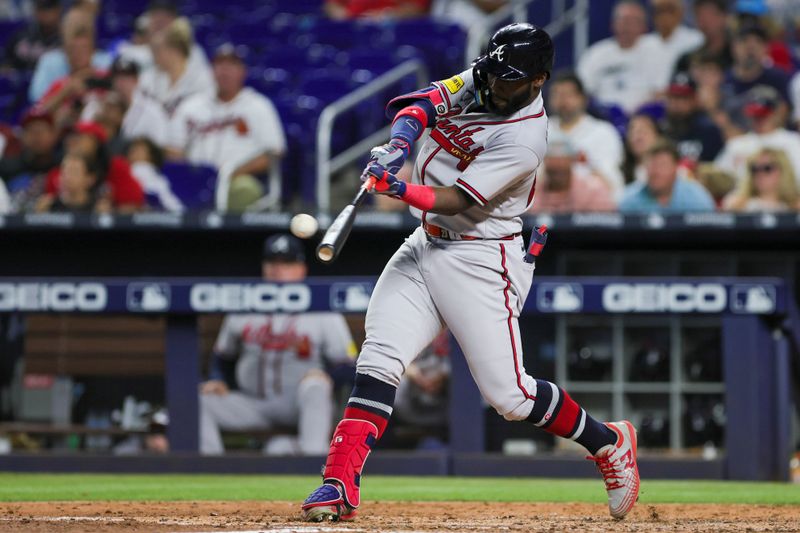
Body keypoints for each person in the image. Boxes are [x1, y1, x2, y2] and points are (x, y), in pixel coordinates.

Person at [300, 23, 640, 523]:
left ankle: (608, 442)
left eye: (509, 81)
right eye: (495, 75)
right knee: (379, 356)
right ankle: (337, 484)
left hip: (481, 259)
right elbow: (420, 105)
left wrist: (398, 188)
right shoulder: (486, 75)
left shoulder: (525, 137)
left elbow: (456, 199)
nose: (495, 87)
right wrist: (398, 145)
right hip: (425, 245)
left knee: (511, 396)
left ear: (537, 80)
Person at [200, 234, 357, 455]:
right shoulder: (244, 306)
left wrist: (327, 376)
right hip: (254, 403)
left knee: (316, 387)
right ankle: (210, 473)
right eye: (273, 263)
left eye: (287, 264)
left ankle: (314, 462)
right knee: (201, 401)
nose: (278, 270)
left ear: (301, 269)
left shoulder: (322, 307)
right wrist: (217, 378)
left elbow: (350, 367)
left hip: (301, 404)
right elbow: (223, 356)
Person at [166, 43, 285, 211]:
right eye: (220, 64)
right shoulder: (191, 106)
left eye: (232, 65)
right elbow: (173, 149)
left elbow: (273, 152)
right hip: (195, 181)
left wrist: (228, 175)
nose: (225, 70)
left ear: (243, 71)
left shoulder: (258, 105)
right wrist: (190, 175)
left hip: (235, 180)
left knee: (246, 189)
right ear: (212, 70)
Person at [546, 71, 625, 194]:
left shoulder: (603, 132)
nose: (562, 101)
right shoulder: (542, 129)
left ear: (583, 99)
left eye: (568, 95)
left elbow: (610, 178)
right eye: (557, 95)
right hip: (547, 202)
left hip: (590, 203)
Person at [576, 0, 661, 114]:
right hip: (602, 118)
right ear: (613, 24)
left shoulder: (656, 52)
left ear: (644, 26)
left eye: (634, 21)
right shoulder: (595, 54)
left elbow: (661, 93)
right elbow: (582, 92)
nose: (627, 26)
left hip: (644, 118)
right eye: (623, 20)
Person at [42, 120, 144, 211]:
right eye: (69, 137)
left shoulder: (116, 167)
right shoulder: (56, 171)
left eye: (78, 136)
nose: (71, 141)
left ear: (95, 142)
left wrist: (109, 215)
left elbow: (133, 205)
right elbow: (51, 204)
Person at [715, 85, 800, 186]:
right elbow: (719, 177)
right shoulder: (736, 144)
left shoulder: (793, 141)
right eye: (755, 116)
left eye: (763, 116)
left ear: (776, 113)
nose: (759, 120)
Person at [133, 17, 213, 119]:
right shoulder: (152, 78)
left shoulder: (200, 78)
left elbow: (208, 111)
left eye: (158, 52)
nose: (155, 59)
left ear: (173, 51)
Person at [28, 6, 112, 102]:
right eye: (73, 49)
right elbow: (37, 100)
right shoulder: (49, 60)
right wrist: (68, 88)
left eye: (83, 48)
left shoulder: (105, 62)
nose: (78, 54)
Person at [619, 139, 715, 212]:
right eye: (651, 165)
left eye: (662, 165)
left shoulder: (697, 199)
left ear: (676, 168)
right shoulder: (629, 199)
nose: (656, 171)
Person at [527, 134, 616, 213]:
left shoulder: (593, 190)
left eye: (562, 162)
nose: (558, 166)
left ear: (572, 161)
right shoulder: (530, 192)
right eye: (553, 163)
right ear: (545, 163)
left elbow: (605, 224)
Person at [660, 71, 724, 165]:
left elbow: (716, 166)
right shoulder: (661, 130)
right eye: (673, 97)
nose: (677, 103)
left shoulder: (708, 130)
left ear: (695, 100)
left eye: (683, 98)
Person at [642, 0, 705, 89]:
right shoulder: (644, 43)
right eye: (660, 11)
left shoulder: (695, 39)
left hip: (681, 94)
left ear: (680, 13)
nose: (664, 16)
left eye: (670, 11)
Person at [722, 24, 790, 105]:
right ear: (733, 47)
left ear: (766, 49)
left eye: (758, 41)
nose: (751, 46)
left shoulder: (779, 79)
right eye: (744, 40)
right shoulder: (722, 80)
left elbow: (786, 108)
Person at [722, 147, 799, 212]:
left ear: (783, 170)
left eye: (767, 168)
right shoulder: (736, 204)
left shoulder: (796, 205)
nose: (760, 174)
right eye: (755, 169)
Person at [35, 150, 110, 212]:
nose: (67, 177)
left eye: (74, 172)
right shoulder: (48, 206)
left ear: (89, 179)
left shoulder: (98, 209)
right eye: (64, 171)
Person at [674, 0, 733, 74]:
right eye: (700, 15)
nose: (705, 20)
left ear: (724, 17)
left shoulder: (736, 56)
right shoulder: (688, 60)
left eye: (710, 15)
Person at [3, 0, 61, 73]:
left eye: (48, 8)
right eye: (41, 9)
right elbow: (5, 63)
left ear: (58, 10)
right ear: (36, 11)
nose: (45, 14)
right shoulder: (22, 35)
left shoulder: (64, 38)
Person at [126, 136, 182, 211]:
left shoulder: (147, 170)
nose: (133, 153)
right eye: (132, 150)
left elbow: (164, 197)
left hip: (163, 207)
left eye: (138, 150)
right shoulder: (131, 169)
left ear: (150, 156)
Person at [622, 112, 662, 183]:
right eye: (633, 132)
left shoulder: (675, 171)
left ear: (657, 136)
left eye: (643, 131)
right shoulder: (621, 173)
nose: (638, 137)